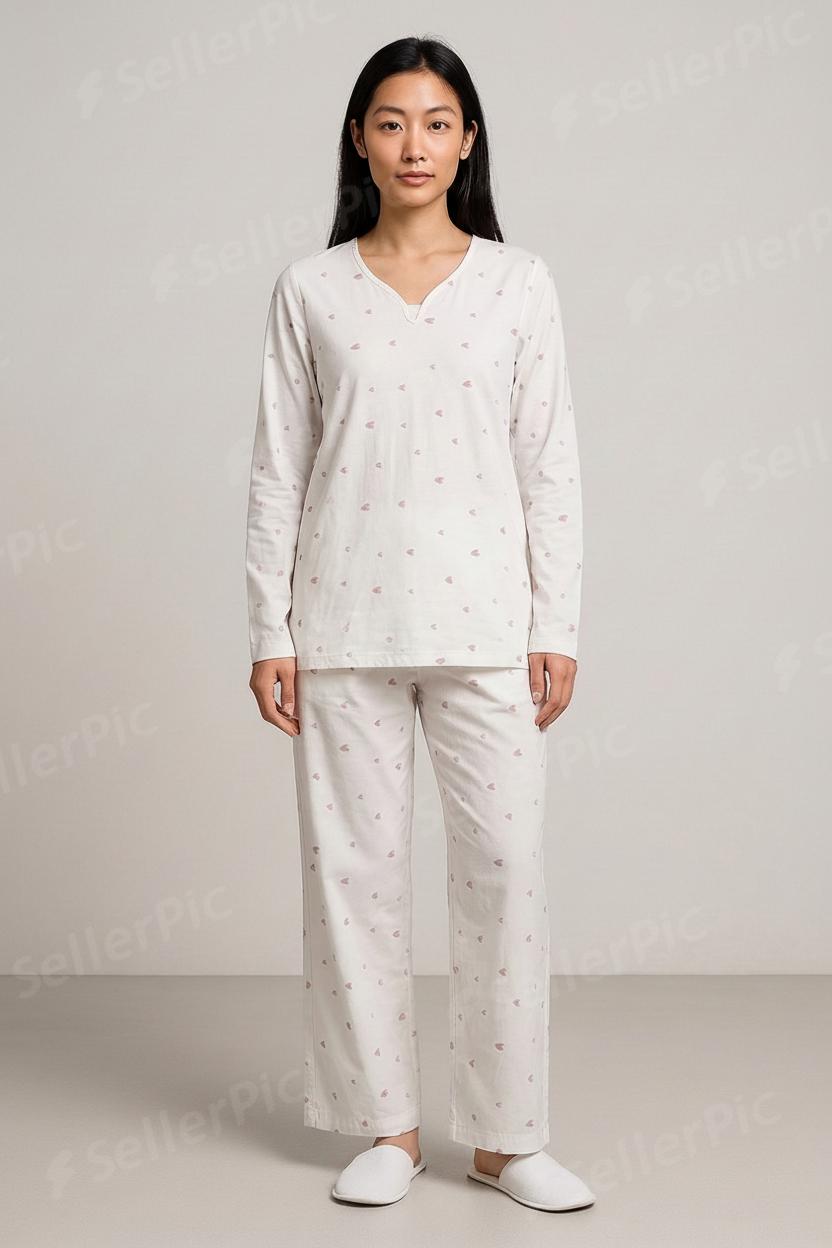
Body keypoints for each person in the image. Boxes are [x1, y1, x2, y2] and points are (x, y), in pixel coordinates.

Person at [245, 35, 595, 1213]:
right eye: (391, 122)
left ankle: (506, 1137)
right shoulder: (309, 289)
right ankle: (386, 1129)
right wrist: (270, 631)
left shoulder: (517, 283)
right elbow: (277, 470)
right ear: (359, 139)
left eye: (437, 123)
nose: (414, 145)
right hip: (342, 622)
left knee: (507, 872)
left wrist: (557, 623)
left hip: (488, 624)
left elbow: (549, 465)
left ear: (467, 141)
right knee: (354, 879)